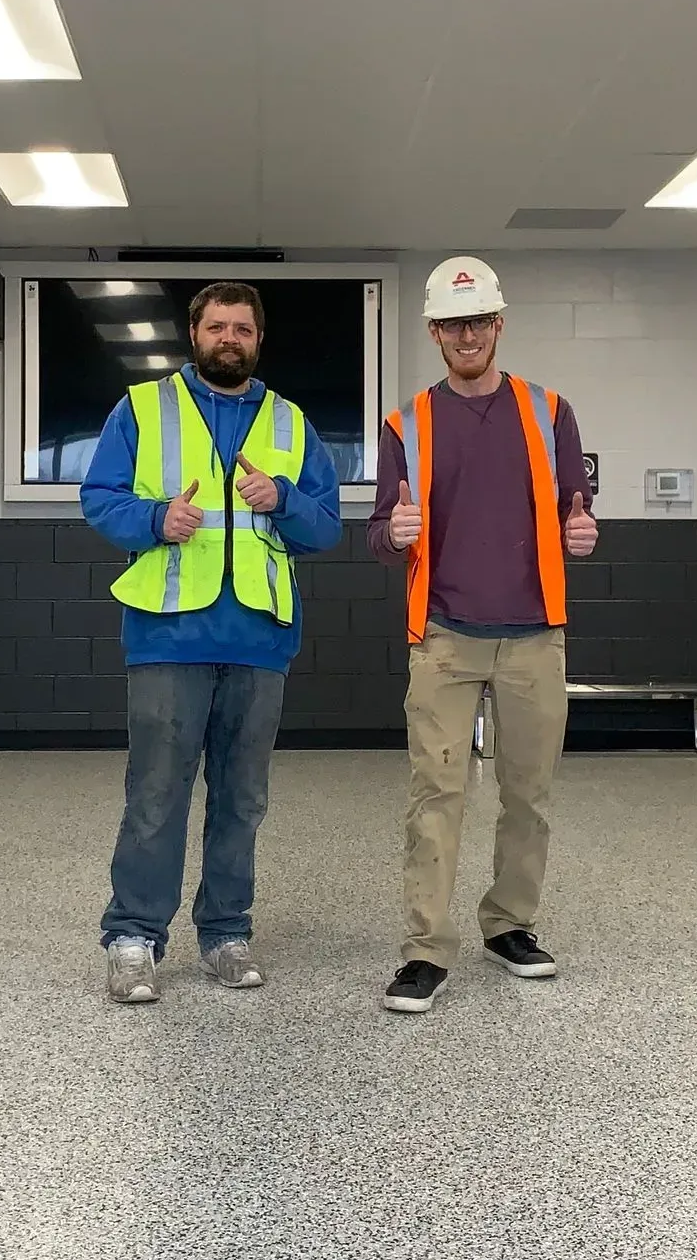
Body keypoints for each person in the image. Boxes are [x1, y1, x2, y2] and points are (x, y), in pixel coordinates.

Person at [81, 281, 342, 1003]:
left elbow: (327, 527)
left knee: (242, 798)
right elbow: (99, 499)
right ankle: (134, 938)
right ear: (193, 334)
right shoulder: (142, 410)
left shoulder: (291, 424)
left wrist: (283, 500)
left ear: (259, 340)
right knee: (157, 794)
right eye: (218, 326)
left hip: (259, 638)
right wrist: (156, 518)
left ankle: (226, 934)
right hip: (169, 633)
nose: (231, 338)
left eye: (244, 329)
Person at [367, 257, 599, 1016]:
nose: (467, 335)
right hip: (444, 637)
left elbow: (576, 510)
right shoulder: (405, 424)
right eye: (452, 324)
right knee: (436, 794)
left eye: (479, 322)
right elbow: (381, 530)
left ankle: (510, 927)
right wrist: (393, 533)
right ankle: (426, 951)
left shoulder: (549, 410)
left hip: (535, 637)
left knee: (528, 794)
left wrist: (585, 530)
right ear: (434, 332)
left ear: (499, 325)